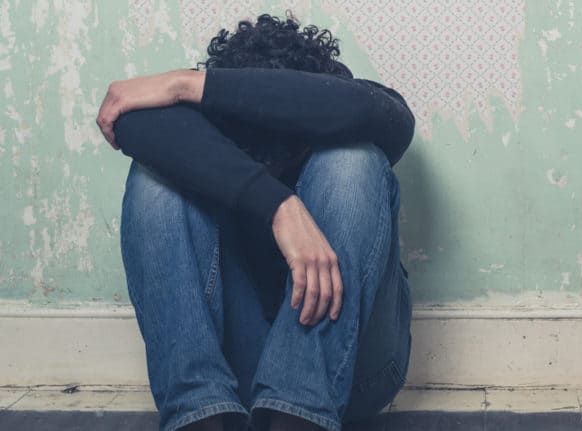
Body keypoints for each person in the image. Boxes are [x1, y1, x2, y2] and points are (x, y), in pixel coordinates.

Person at [96, 13, 415, 431]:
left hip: (355, 369)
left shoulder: (350, 110)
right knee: (155, 177)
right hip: (237, 375)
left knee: (354, 161)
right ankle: (200, 417)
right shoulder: (207, 125)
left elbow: (381, 113)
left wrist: (184, 84)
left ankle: (297, 417)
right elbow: (130, 119)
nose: (271, 160)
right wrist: (280, 206)